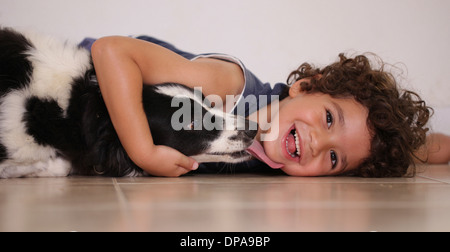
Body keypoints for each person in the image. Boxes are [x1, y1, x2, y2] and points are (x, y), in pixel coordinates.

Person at [82, 35, 441, 178]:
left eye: (333, 159)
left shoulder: (281, 156)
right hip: (83, 86)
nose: (318, 144)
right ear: (303, 87)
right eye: (329, 118)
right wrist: (143, 152)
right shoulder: (229, 88)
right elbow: (111, 52)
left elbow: (418, 147)